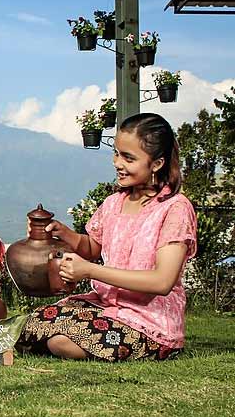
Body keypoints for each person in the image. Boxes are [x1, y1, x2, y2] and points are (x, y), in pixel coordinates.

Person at [17, 113, 197, 361]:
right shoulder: (114, 202)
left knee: (62, 340)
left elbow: (162, 281)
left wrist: (90, 271)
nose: (118, 163)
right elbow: (92, 247)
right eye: (116, 153)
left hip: (150, 321)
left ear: (156, 164)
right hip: (105, 305)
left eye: (129, 158)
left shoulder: (175, 208)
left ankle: (157, 347)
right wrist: (63, 233)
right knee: (31, 324)